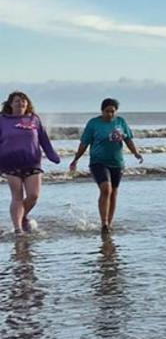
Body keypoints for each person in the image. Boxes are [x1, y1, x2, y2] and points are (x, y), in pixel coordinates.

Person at [67, 98, 143, 232]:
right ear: (102, 111)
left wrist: (136, 153)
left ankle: (109, 223)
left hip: (117, 163)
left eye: (113, 111)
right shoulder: (93, 124)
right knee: (106, 189)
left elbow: (128, 140)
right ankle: (104, 223)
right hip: (98, 162)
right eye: (107, 111)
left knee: (113, 193)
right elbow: (84, 143)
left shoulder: (121, 122)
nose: (110, 114)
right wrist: (75, 159)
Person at [0, 91, 60, 234]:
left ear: (27, 104)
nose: (20, 103)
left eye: (23, 101)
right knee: (17, 196)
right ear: (10, 104)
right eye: (16, 101)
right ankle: (18, 229)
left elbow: (44, 140)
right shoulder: (2, 120)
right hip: (10, 163)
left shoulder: (34, 119)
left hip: (32, 163)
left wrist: (53, 155)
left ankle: (22, 216)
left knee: (33, 196)